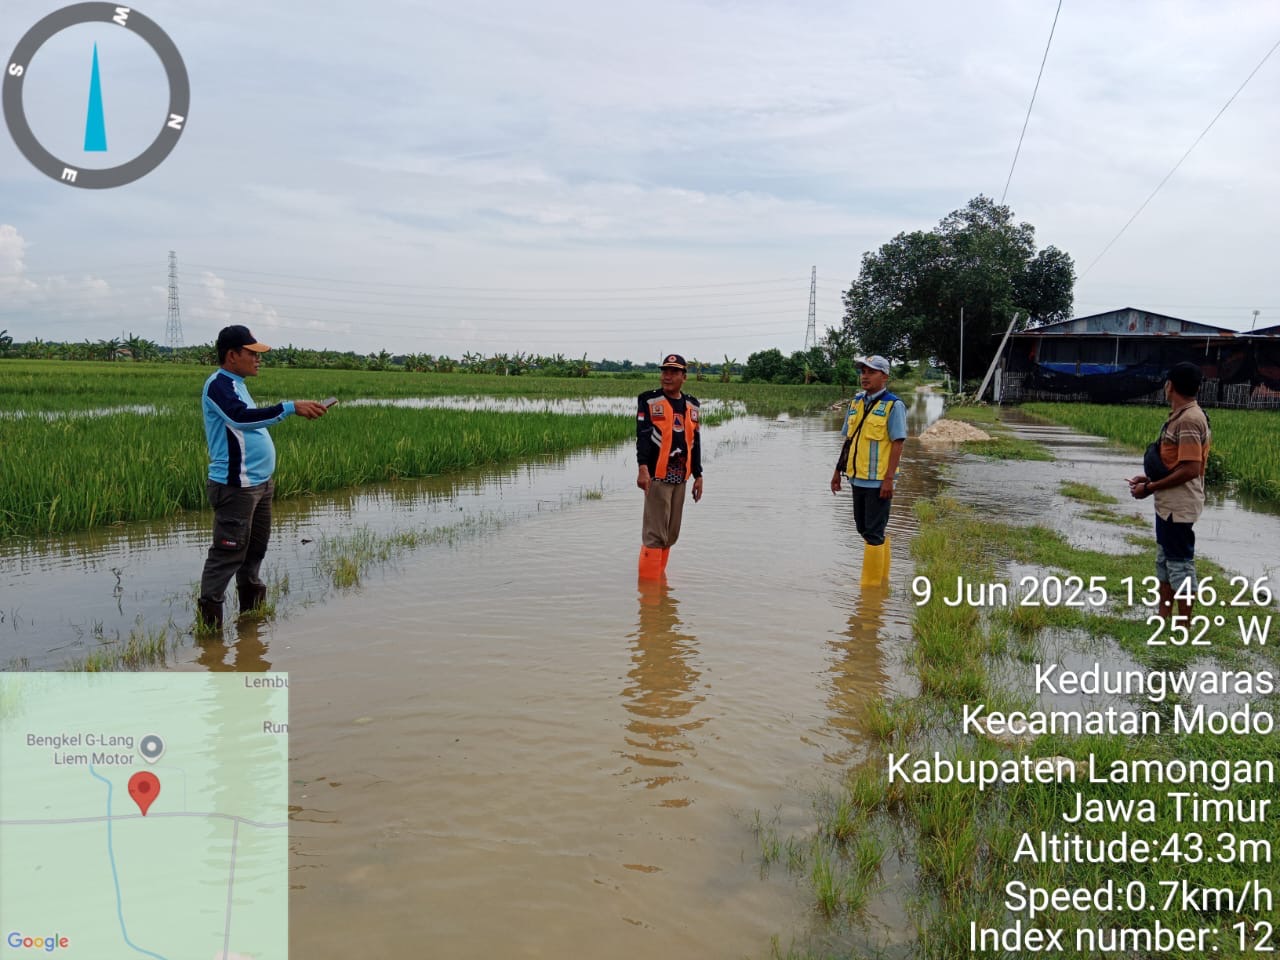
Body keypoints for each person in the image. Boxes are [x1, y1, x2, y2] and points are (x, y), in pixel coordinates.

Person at [197, 325, 328, 628]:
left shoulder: (237, 383)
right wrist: (290, 408)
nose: (258, 360)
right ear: (232, 355)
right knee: (227, 555)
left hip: (259, 485)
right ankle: (210, 632)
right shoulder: (218, 384)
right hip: (236, 486)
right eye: (252, 353)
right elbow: (240, 418)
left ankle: (251, 625)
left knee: (254, 552)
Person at [1128, 361, 1211, 621]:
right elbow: (1178, 464)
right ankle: (1163, 617)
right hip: (1169, 505)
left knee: (1180, 565)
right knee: (1165, 562)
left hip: (1179, 505)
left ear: (1170, 386)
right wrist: (1151, 477)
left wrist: (1150, 487)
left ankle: (1183, 625)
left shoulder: (1189, 420)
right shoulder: (1182, 416)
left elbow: (1190, 469)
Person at [829, 355, 907, 587]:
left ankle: (871, 591)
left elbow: (898, 443)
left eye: (871, 372)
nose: (865, 376)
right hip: (857, 478)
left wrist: (889, 479)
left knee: (873, 532)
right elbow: (849, 440)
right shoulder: (856, 403)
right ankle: (881, 578)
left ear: (884, 376)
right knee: (863, 528)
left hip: (878, 481)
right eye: (862, 371)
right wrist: (837, 472)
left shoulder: (894, 405)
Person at [636, 354, 703, 579]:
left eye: (674, 372)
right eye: (665, 371)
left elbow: (696, 441)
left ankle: (659, 587)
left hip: (681, 478)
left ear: (684, 377)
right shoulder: (649, 400)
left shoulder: (692, 404)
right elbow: (643, 436)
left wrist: (698, 475)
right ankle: (649, 596)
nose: (667, 376)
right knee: (655, 535)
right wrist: (642, 468)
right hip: (657, 476)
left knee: (671, 534)